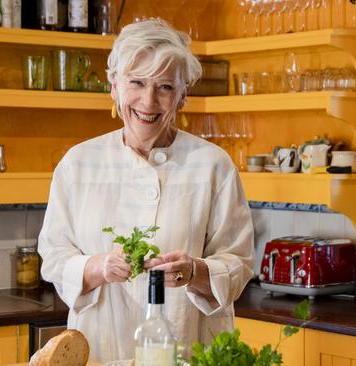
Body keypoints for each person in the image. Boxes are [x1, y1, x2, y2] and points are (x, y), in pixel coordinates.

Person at [38, 18, 255, 363]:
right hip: (102, 347)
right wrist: (97, 266)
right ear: (114, 86)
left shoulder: (213, 165)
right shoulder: (78, 164)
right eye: (136, 82)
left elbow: (239, 262)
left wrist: (194, 271)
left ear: (182, 95)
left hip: (188, 346)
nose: (148, 101)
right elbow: (53, 255)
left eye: (165, 87)